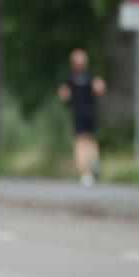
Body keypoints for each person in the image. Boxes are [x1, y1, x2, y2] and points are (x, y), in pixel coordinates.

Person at [58, 48, 106, 186]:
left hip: (89, 112)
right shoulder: (71, 78)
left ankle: (91, 166)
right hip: (79, 112)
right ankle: (87, 171)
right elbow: (63, 94)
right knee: (82, 141)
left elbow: (101, 88)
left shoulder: (90, 76)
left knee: (88, 140)